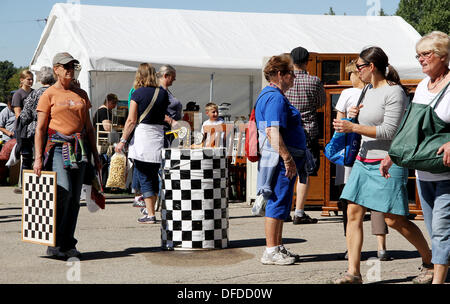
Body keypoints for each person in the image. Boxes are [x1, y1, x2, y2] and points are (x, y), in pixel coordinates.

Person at [331, 46, 433, 284]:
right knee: (353, 213)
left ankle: (431, 260)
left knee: (393, 219)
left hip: (388, 162)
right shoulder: (366, 89)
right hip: (363, 160)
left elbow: (390, 131)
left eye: (359, 67)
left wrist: (352, 127)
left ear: (371, 67)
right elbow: (369, 121)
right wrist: (355, 115)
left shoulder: (394, 92)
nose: (356, 72)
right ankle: (353, 273)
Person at [380, 31, 450, 284]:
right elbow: (409, 129)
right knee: (435, 230)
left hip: (447, 171)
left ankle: (438, 280)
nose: (421, 59)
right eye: (418, 55)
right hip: (424, 171)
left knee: (442, 230)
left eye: (426, 54)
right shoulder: (421, 87)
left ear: (442, 56)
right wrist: (392, 155)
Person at [34, 52, 101, 259]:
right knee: (64, 192)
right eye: (65, 66)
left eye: (72, 66)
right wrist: (37, 158)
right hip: (57, 148)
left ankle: (67, 243)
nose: (70, 69)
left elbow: (89, 128)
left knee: (74, 200)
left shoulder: (81, 94)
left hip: (80, 149)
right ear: (56, 69)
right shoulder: (48, 94)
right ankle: (54, 243)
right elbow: (40, 129)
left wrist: (96, 156)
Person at [335, 61, 390, 261]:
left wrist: (350, 122)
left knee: (351, 203)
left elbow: (339, 126)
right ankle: (381, 246)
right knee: (376, 202)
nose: (351, 77)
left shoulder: (348, 94)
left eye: (352, 73)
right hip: (375, 152)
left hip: (356, 153)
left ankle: (351, 249)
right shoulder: (376, 92)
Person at [256, 54, 307, 265]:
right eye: (291, 74)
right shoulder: (275, 97)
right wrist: (287, 158)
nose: (294, 78)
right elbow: (272, 130)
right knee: (277, 201)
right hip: (278, 159)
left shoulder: (271, 95)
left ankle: (276, 246)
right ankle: (270, 250)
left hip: (277, 157)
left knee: (282, 200)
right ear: (280, 74)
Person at [115, 63, 175, 224]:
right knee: (154, 175)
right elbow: (163, 115)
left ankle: (150, 214)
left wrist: (122, 140)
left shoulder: (137, 93)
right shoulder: (162, 94)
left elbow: (131, 120)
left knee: (144, 176)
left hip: (143, 138)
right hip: (158, 137)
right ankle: (151, 210)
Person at [285, 46, 325, 224]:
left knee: (285, 171)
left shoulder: (285, 81)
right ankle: (299, 211)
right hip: (308, 130)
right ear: (307, 61)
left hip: (287, 131)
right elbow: (321, 102)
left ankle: (284, 210)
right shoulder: (314, 81)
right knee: (304, 173)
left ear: (292, 61)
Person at [15, 66, 55, 176]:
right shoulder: (56, 92)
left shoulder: (34, 94)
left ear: (40, 79)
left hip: (35, 132)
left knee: (31, 160)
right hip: (54, 131)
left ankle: (28, 187)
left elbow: (24, 116)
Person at [92, 93, 118, 187]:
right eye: (114, 103)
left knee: (102, 164)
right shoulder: (103, 111)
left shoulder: (101, 110)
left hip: (101, 141)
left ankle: (102, 185)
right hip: (103, 143)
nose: (115, 106)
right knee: (103, 164)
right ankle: (102, 185)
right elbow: (107, 127)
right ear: (109, 102)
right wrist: (116, 128)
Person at [157, 65, 182, 148]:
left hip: (171, 132)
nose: (174, 79)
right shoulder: (159, 91)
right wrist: (171, 121)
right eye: (173, 77)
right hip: (163, 132)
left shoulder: (166, 90)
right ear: (166, 76)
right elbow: (155, 111)